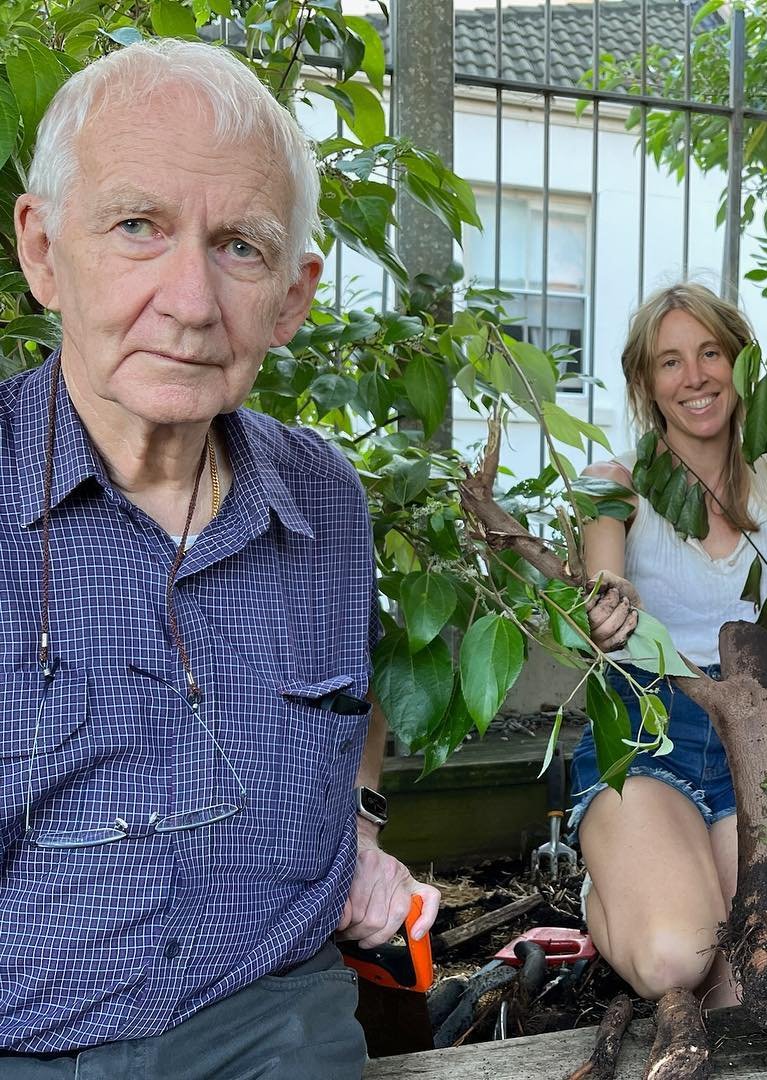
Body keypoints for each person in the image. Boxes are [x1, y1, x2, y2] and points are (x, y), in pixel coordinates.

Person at [0, 40, 439, 1074]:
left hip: (265, 1016)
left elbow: (344, 709)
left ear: (293, 297)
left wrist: (362, 832)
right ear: (43, 251)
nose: (192, 303)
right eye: (139, 226)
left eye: (240, 246)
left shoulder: (325, 501)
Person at [573, 283, 767, 1006]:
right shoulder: (614, 485)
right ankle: (609, 882)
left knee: (748, 988)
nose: (696, 377)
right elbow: (603, 578)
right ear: (646, 382)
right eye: (670, 362)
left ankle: (662, 884)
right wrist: (609, 602)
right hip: (650, 729)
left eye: (711, 353)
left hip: (756, 740)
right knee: (677, 959)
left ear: (742, 365)